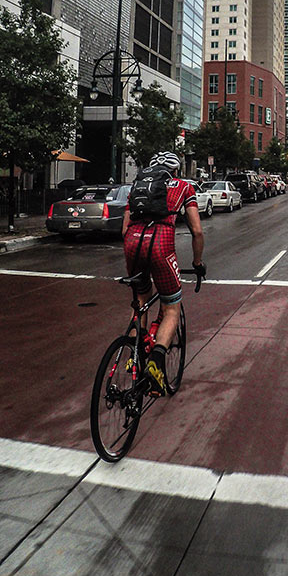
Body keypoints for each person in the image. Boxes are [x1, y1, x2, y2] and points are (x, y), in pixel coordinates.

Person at [121, 151, 205, 396]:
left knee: (140, 300)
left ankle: (134, 355)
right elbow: (197, 231)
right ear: (176, 171)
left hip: (132, 243)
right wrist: (197, 262)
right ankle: (156, 363)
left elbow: (124, 227)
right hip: (160, 243)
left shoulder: (138, 186)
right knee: (171, 306)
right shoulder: (184, 187)